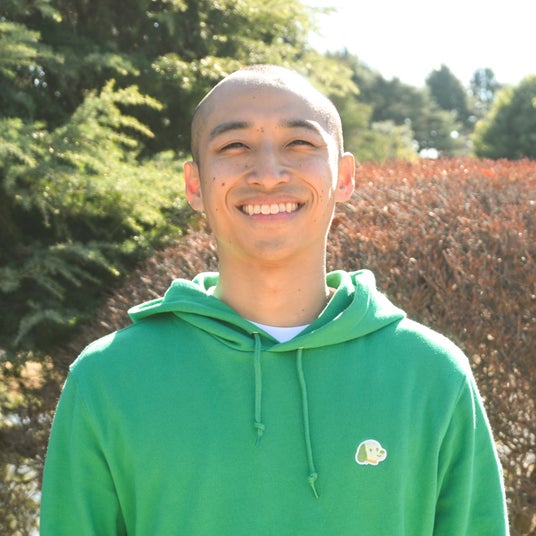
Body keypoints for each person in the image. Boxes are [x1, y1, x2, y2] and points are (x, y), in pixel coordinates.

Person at [40, 65, 509, 535]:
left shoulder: (430, 375)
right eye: (234, 146)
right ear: (195, 185)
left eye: (299, 143)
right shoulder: (108, 380)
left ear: (344, 177)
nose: (267, 174)